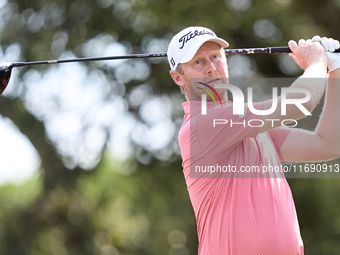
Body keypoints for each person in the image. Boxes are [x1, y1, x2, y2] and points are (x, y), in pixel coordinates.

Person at [167, 26, 340, 254]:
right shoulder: (202, 124)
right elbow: (302, 102)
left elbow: (328, 144)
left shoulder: (252, 128)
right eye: (198, 62)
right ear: (178, 77)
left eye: (215, 57)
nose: (211, 68)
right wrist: (317, 60)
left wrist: (334, 70)